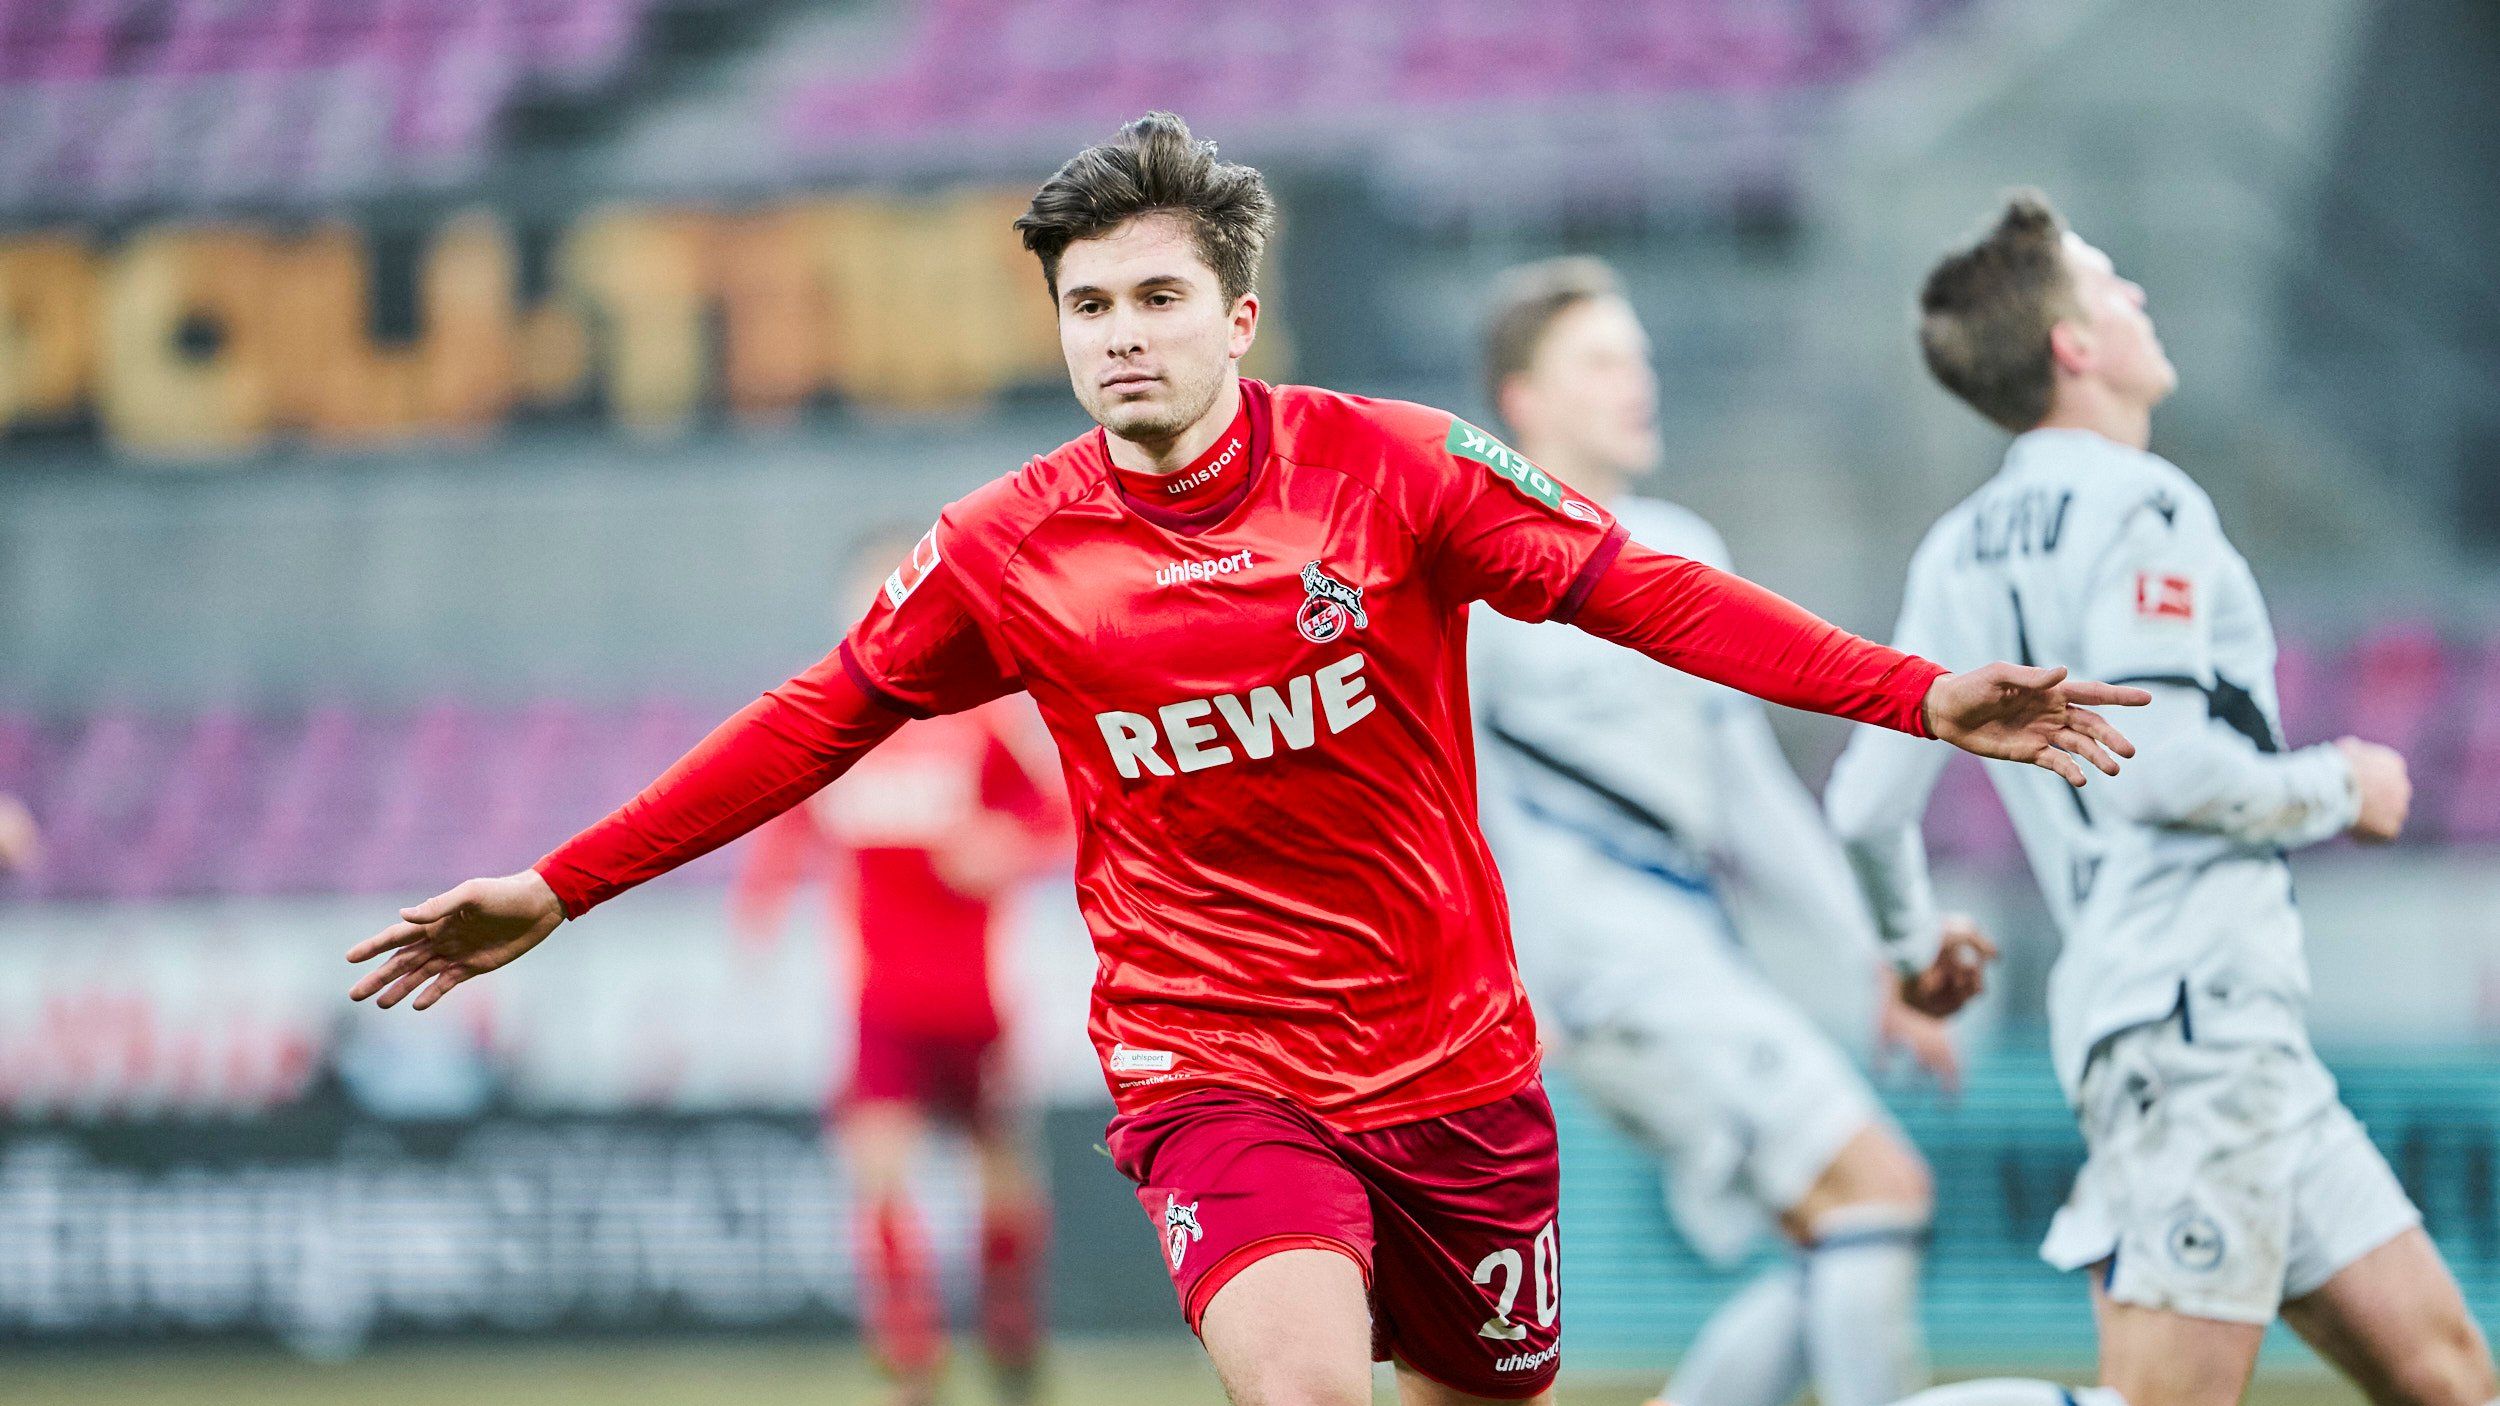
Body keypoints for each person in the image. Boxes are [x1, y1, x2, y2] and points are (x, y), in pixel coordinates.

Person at [347, 116, 2143, 1406]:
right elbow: (814, 717)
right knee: (1303, 1386)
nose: (1118, 334)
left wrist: (1913, 693)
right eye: (1087, 307)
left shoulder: (1400, 467)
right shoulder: (1004, 548)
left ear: (1236, 316)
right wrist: (560, 885)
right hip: (1213, 1067)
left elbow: (1642, 593)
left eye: (1153, 296)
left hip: (1454, 1062)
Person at [1823, 193, 2496, 1406]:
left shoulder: (1955, 546)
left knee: (2447, 1373)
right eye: (2108, 281)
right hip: (2192, 1016)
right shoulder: (2146, 505)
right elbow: (2166, 772)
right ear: (2073, 344)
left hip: (2189, 1016)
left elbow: (1865, 805)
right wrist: (2340, 782)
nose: (2136, 295)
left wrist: (1912, 951)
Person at [1469, 257, 1991, 1406]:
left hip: (1683, 949)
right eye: (1600, 361)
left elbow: (1751, 795)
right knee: (1875, 1191)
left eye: (1638, 358)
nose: (1635, 381)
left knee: (1839, 1230)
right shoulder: (1476, 578)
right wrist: (1507, 980)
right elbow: (1457, 801)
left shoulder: (1679, 542)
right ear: (1523, 401)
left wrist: (1879, 957)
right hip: (1607, 974)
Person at [730, 532, 1069, 1406]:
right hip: (879, 1000)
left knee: (1003, 1175)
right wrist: (757, 922)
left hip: (977, 1000)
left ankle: (1010, 1337)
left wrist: (1005, 846)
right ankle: (911, 1358)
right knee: (878, 1174)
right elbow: (778, 831)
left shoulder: (980, 721)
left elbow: (1062, 820)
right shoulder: (829, 726)